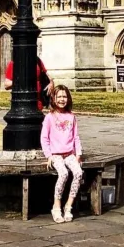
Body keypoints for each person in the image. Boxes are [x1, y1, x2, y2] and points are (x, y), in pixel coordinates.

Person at [40, 85, 83, 223]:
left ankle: (68, 206)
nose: (62, 100)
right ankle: (56, 206)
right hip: (56, 154)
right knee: (63, 174)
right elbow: (44, 138)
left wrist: (78, 154)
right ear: (54, 99)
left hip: (69, 154)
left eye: (64, 97)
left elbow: (76, 137)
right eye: (59, 97)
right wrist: (49, 156)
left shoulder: (71, 117)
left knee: (78, 173)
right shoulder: (49, 117)